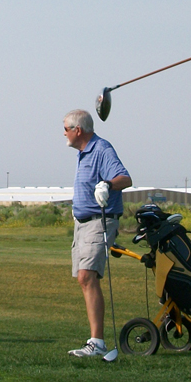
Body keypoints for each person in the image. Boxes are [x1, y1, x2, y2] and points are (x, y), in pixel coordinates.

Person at [64, 109, 132, 358]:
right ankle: (96, 342)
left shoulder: (102, 149)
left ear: (77, 130)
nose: (64, 134)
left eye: (66, 129)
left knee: (87, 276)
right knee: (84, 279)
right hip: (81, 223)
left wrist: (107, 184)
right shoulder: (83, 153)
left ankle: (97, 343)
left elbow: (125, 178)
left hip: (99, 222)